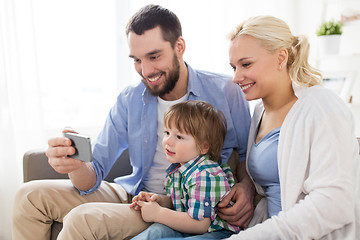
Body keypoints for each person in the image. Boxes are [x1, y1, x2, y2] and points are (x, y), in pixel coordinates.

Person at [12, 4, 253, 240]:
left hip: (179, 205)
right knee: (28, 196)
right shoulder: (130, 99)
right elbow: (94, 174)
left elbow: (246, 157)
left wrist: (247, 188)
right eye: (137, 60)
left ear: (179, 47)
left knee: (83, 218)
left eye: (154, 56)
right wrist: (74, 164)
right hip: (133, 194)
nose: (145, 70)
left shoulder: (226, 91)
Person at [222, 15, 359, 239]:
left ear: (281, 57)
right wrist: (246, 186)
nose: (236, 77)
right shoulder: (259, 112)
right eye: (233, 67)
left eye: (246, 64)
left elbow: (334, 203)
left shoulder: (321, 106)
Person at [130, 100, 241, 240]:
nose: (168, 141)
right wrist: (158, 200)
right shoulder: (178, 169)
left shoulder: (204, 175)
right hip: (189, 225)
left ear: (204, 147)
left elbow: (200, 225)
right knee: (155, 232)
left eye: (179, 137)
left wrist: (158, 213)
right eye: (167, 132)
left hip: (216, 232)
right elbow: (182, 202)